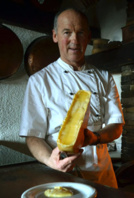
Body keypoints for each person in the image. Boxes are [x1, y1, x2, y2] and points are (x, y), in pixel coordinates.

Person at [19, 8, 124, 188]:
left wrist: (93, 137)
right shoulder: (40, 81)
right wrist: (51, 161)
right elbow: (32, 136)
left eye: (80, 32)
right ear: (55, 36)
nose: (74, 40)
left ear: (88, 37)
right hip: (61, 174)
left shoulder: (104, 78)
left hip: (102, 175)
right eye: (67, 32)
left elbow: (117, 126)